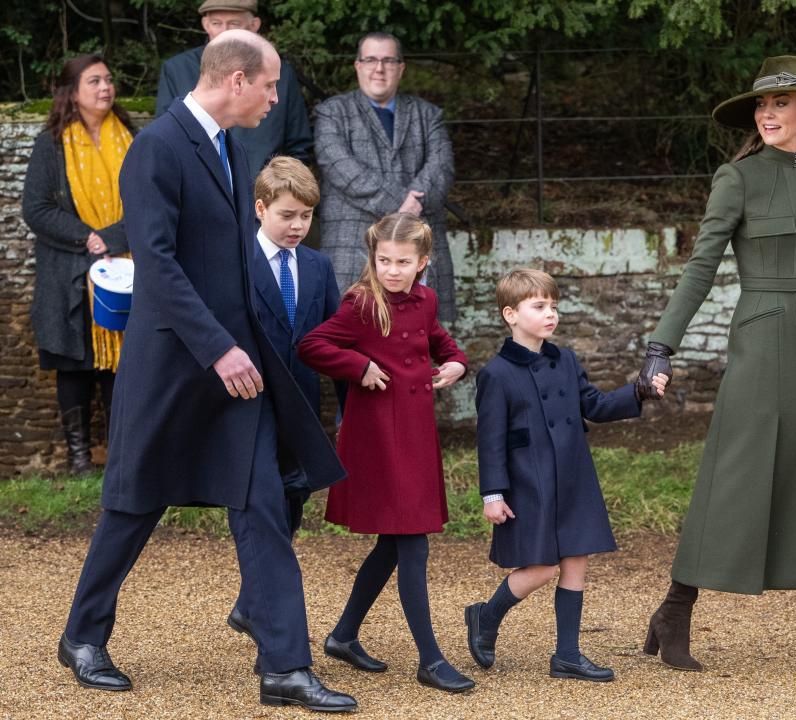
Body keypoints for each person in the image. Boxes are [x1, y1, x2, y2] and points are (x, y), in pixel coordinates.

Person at [56, 30, 356, 713]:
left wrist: (260, 342)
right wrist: (217, 347)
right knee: (134, 505)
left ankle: (285, 666)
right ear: (237, 80)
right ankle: (81, 637)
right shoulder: (157, 148)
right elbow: (157, 265)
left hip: (237, 373)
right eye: (271, 85)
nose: (277, 99)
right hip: (173, 368)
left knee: (262, 508)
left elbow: (235, 259)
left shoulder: (230, 145)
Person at [634, 55, 796, 673]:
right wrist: (661, 345)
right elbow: (701, 266)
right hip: (761, 340)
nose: (768, 114)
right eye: (762, 105)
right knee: (737, 475)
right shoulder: (737, 177)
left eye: (781, 104)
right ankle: (674, 611)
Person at [297, 213, 474, 693]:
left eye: (402, 262)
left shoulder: (427, 299)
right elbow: (312, 345)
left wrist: (456, 362)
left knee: (395, 543)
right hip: (378, 437)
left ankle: (343, 635)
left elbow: (436, 339)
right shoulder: (360, 302)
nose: (392, 270)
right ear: (372, 259)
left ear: (423, 263)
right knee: (412, 542)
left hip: (416, 433)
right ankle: (431, 659)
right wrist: (359, 365)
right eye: (383, 261)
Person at [464, 268, 667, 682]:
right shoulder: (495, 374)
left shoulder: (566, 359)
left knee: (576, 560)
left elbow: (593, 404)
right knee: (540, 568)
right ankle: (485, 617)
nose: (550, 314)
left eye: (553, 306)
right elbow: (490, 441)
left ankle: (568, 655)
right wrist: (493, 494)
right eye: (539, 306)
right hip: (528, 484)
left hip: (573, 477)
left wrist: (639, 390)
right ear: (511, 314)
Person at [226, 155, 343, 648]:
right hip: (249, 408)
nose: (298, 226)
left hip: (302, 408)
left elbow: (335, 341)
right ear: (260, 208)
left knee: (293, 501)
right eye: (287, 215)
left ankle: (250, 604)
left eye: (306, 216)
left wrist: (346, 410)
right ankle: (270, 618)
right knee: (263, 509)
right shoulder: (234, 263)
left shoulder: (318, 266)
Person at [23, 54, 135, 475]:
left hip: (124, 267)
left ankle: (120, 455)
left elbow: (149, 200)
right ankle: (79, 459)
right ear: (72, 92)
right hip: (67, 271)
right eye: (95, 81)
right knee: (74, 363)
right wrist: (85, 236)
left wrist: (113, 237)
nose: (106, 87)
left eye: (109, 79)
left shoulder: (134, 138)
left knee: (119, 364)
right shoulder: (50, 143)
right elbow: (36, 208)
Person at [314, 31, 457, 322]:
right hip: (352, 245)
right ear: (358, 66)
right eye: (370, 60)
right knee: (353, 344)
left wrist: (413, 203)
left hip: (417, 249)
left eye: (388, 60)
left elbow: (441, 166)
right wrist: (405, 205)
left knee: (419, 339)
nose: (379, 68)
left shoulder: (428, 114)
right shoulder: (332, 113)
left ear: (401, 67)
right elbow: (341, 168)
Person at [155, 0, 313, 177]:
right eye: (216, 23)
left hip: (266, 194)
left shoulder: (281, 73)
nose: (225, 32)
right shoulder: (178, 69)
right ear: (205, 25)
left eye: (234, 24)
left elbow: (298, 145)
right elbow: (167, 136)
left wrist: (279, 192)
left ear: (254, 25)